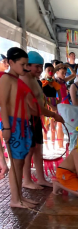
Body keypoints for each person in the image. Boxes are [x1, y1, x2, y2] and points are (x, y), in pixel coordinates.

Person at [20, 51, 64, 190]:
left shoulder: (36, 80)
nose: (39, 69)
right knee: (29, 150)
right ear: (27, 65)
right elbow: (34, 106)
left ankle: (40, 178)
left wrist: (51, 110)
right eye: (36, 66)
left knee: (39, 148)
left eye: (41, 66)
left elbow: (41, 102)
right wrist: (53, 115)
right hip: (27, 120)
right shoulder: (25, 79)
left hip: (36, 118)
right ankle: (26, 180)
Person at [0, 48, 38, 208]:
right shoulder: (6, 79)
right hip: (13, 125)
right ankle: (15, 200)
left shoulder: (18, 80)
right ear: (10, 62)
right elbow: (3, 104)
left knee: (20, 163)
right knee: (15, 164)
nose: (26, 67)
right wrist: (7, 128)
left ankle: (20, 197)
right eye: (22, 64)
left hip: (22, 125)